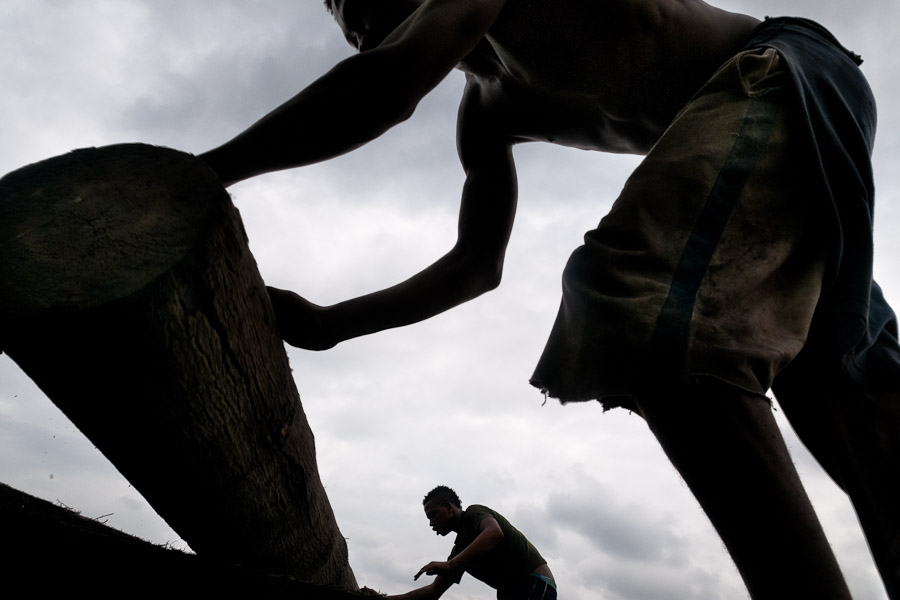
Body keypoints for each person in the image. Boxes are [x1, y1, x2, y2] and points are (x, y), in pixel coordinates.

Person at [199, 1, 900, 597]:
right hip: (777, 145)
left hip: (784, 69)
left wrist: (204, 173)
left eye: (379, 6)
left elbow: (386, 87)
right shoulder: (486, 115)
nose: (372, 29)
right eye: (354, 26)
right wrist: (330, 324)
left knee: (634, 302)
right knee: (844, 388)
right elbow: (475, 266)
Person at [384, 486, 556, 600]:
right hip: (509, 592)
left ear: (450, 508)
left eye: (433, 515)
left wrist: (451, 565)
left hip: (535, 583)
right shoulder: (460, 550)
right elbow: (432, 592)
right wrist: (381, 598)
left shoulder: (474, 513)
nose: (431, 522)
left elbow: (494, 533)